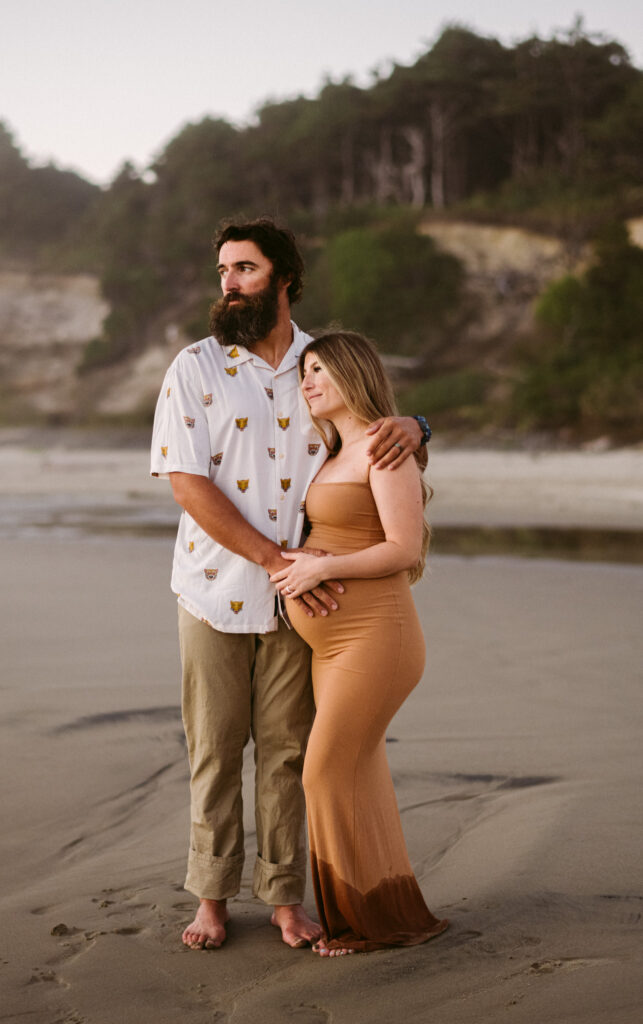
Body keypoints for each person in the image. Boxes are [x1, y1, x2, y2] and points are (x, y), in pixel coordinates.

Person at [150, 218, 430, 950]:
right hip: (215, 587)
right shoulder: (195, 367)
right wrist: (278, 561)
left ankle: (283, 901)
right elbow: (187, 483)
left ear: (283, 277)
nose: (228, 283)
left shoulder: (321, 364)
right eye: (221, 271)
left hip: (303, 604)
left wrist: (414, 422)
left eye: (243, 268)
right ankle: (210, 898)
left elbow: (372, 425)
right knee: (213, 748)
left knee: (285, 752)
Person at [271, 329, 448, 956]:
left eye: (321, 369)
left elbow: (404, 546)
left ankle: (354, 922)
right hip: (334, 644)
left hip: (377, 636)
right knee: (360, 772)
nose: (308, 381)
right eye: (304, 372)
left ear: (354, 374)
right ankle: (386, 912)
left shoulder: (381, 445)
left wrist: (320, 569)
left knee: (323, 773)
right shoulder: (330, 452)